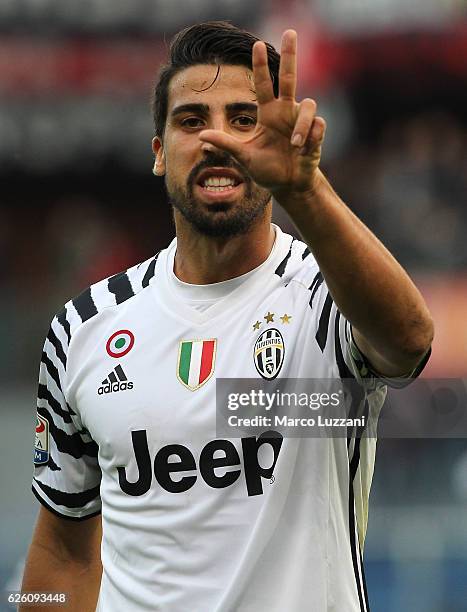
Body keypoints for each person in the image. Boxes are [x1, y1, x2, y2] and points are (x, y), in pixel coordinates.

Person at [21, 21, 433, 612]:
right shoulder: (83, 327)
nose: (219, 139)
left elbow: (409, 343)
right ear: (159, 152)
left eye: (244, 119)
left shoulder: (325, 297)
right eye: (192, 120)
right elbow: (63, 551)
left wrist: (304, 190)